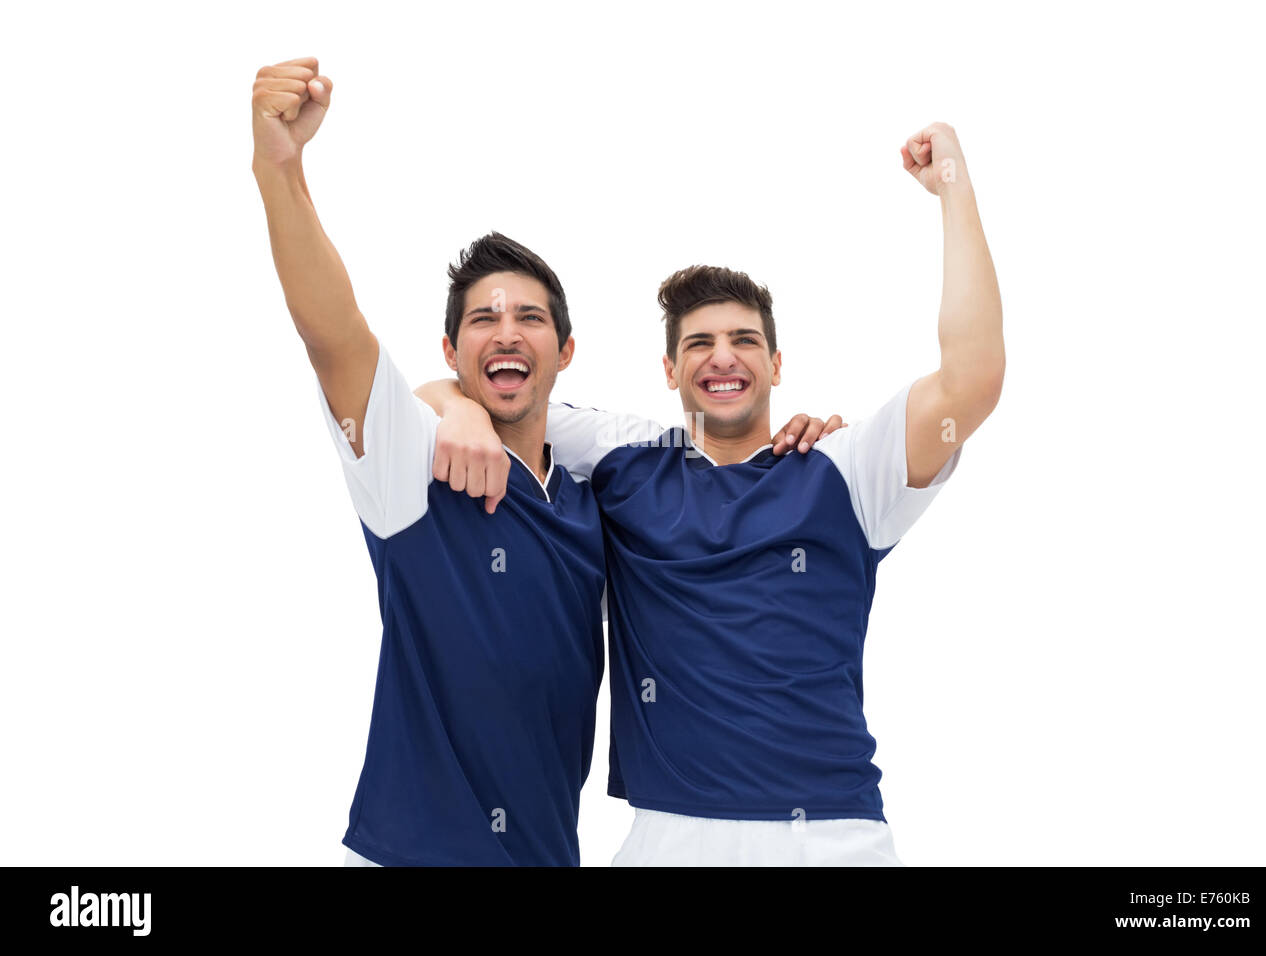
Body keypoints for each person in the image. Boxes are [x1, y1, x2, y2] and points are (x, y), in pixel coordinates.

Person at [251, 56, 838, 865]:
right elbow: (334, 335)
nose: (507, 331)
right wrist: (281, 171)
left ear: (563, 352)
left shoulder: (598, 487)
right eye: (483, 320)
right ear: (452, 351)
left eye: (529, 317)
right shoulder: (408, 469)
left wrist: (803, 445)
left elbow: (717, 457)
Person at [416, 122, 1004, 865]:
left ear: (776, 362)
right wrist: (459, 405)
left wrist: (953, 185)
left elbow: (973, 378)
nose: (722, 357)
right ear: (670, 370)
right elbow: (487, 392)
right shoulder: (625, 457)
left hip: (830, 837)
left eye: (743, 340)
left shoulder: (845, 466)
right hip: (669, 835)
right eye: (699, 343)